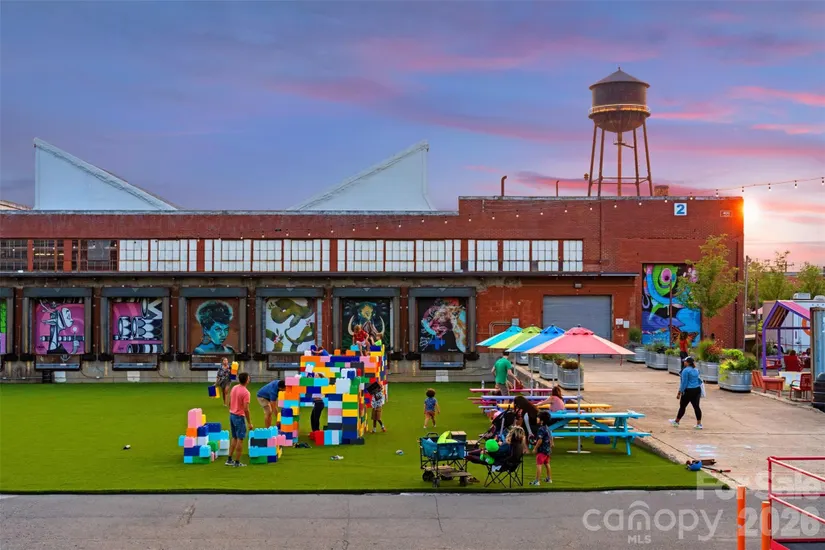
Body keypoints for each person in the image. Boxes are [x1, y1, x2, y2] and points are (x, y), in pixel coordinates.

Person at [227, 372, 253, 467]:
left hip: (232, 415)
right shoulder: (246, 393)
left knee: (234, 437)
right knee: (240, 439)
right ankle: (237, 462)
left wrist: (232, 409)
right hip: (239, 417)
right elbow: (246, 409)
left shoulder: (234, 388)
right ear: (247, 380)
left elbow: (230, 402)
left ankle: (229, 459)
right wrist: (249, 423)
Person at [670, 357, 703, 430]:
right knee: (696, 407)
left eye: (685, 361)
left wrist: (679, 392)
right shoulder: (696, 370)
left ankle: (676, 421)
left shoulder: (685, 370)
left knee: (682, 406)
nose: (684, 362)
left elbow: (684, 383)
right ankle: (699, 424)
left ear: (688, 363)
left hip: (688, 390)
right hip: (697, 389)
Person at [531, 411, 554, 486]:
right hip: (547, 450)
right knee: (547, 463)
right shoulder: (547, 428)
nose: (537, 419)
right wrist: (551, 444)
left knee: (539, 464)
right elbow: (550, 437)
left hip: (542, 450)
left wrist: (535, 448)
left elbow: (540, 440)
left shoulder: (541, 429)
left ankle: (537, 481)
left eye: (538, 418)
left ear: (542, 421)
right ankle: (549, 479)